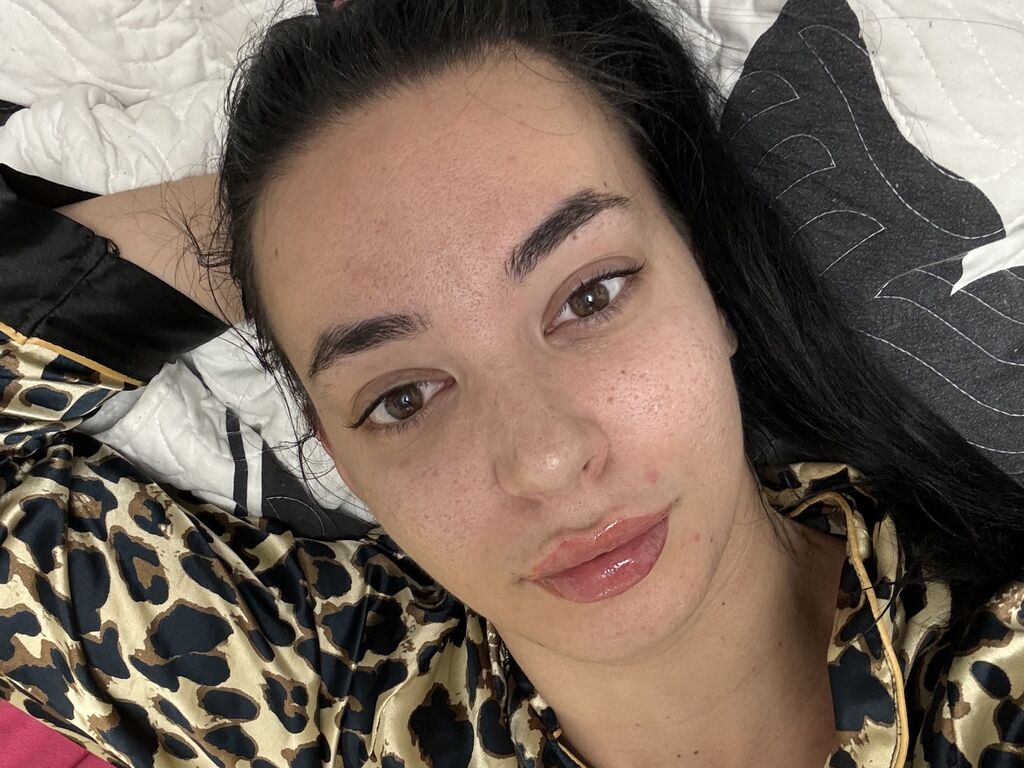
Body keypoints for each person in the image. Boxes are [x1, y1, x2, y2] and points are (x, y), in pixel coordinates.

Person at [2, 1, 1023, 767]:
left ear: (711, 285)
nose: (544, 459)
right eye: (400, 397)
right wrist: (273, 223)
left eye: (591, 296)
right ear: (334, 451)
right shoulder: (310, 703)